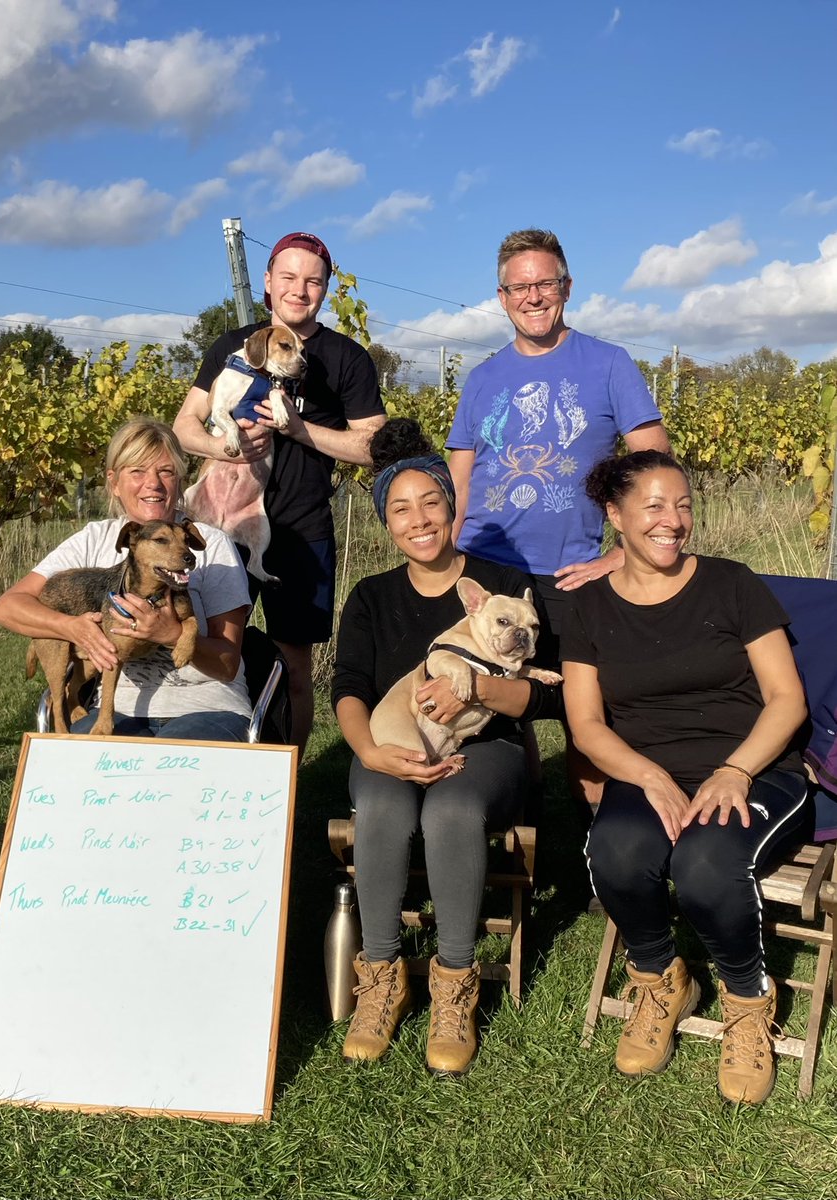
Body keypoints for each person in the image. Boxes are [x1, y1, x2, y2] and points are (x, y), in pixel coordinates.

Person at [562, 450, 811, 1106]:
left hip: (755, 767)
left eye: (682, 505)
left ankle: (748, 998)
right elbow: (586, 725)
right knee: (613, 850)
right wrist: (648, 776)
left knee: (702, 864)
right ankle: (659, 976)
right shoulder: (588, 609)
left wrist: (732, 771)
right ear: (614, 516)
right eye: (653, 506)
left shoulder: (731, 584)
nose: (672, 520)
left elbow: (786, 699)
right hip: (649, 771)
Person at [331, 419, 561, 1075]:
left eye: (430, 501)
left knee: (451, 811)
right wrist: (368, 751)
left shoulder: (500, 586)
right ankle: (381, 979)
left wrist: (479, 692)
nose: (418, 519)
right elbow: (347, 686)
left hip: (486, 744)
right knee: (380, 805)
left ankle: (453, 985)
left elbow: (548, 694)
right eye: (400, 509)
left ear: (451, 505)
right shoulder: (371, 597)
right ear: (386, 523)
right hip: (393, 741)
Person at [446, 228, 672, 812]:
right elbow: (462, 483)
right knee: (488, 706)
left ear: (567, 288)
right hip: (489, 570)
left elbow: (656, 466)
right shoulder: (483, 378)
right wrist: (450, 560)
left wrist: (626, 553)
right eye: (519, 286)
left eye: (545, 282)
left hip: (575, 575)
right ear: (501, 297)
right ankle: (511, 817)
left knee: (584, 713)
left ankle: (598, 842)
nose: (533, 295)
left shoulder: (609, 364)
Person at [174, 231, 387, 756]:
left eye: (313, 281)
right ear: (268, 283)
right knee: (210, 648)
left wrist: (299, 431)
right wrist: (225, 448)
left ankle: (286, 780)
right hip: (218, 529)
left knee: (295, 664)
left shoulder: (346, 359)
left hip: (299, 530)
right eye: (289, 277)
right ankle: (217, 763)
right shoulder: (233, 347)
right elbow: (184, 426)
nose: (300, 289)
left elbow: (376, 447)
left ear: (325, 289)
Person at [0, 417, 253, 742]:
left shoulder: (211, 546)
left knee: (165, 773)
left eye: (165, 471)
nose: (153, 484)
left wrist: (172, 634)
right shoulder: (93, 541)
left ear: (179, 481)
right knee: (85, 773)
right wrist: (72, 628)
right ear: (114, 482)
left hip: (208, 708)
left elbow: (227, 664)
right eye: (137, 471)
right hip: (117, 710)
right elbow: (6, 608)